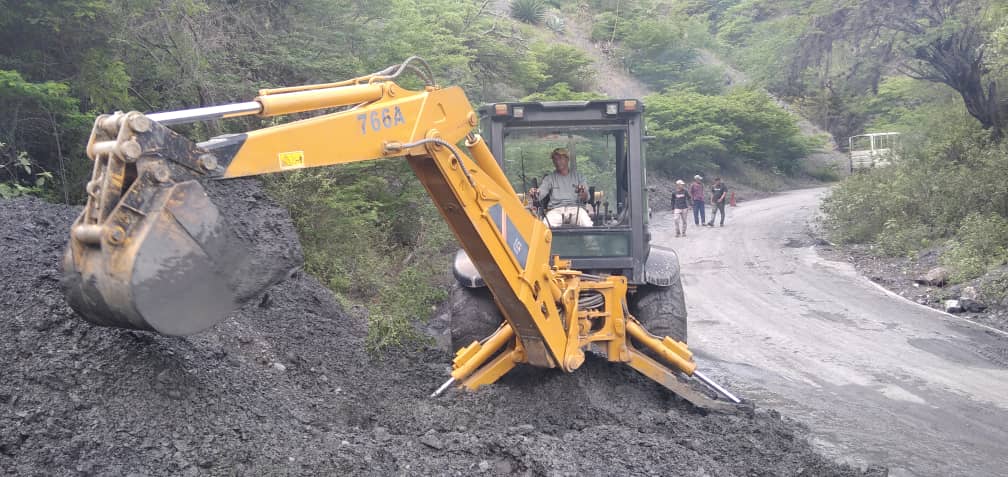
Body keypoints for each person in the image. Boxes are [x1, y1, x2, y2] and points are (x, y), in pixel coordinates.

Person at [528, 147, 593, 227]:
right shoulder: (549, 178)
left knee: (587, 224)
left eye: (560, 158)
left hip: (576, 209)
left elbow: (587, 197)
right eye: (554, 159)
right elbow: (540, 193)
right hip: (555, 210)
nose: (557, 162)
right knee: (545, 226)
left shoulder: (579, 177)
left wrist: (583, 194)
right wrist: (535, 193)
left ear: (567, 159)